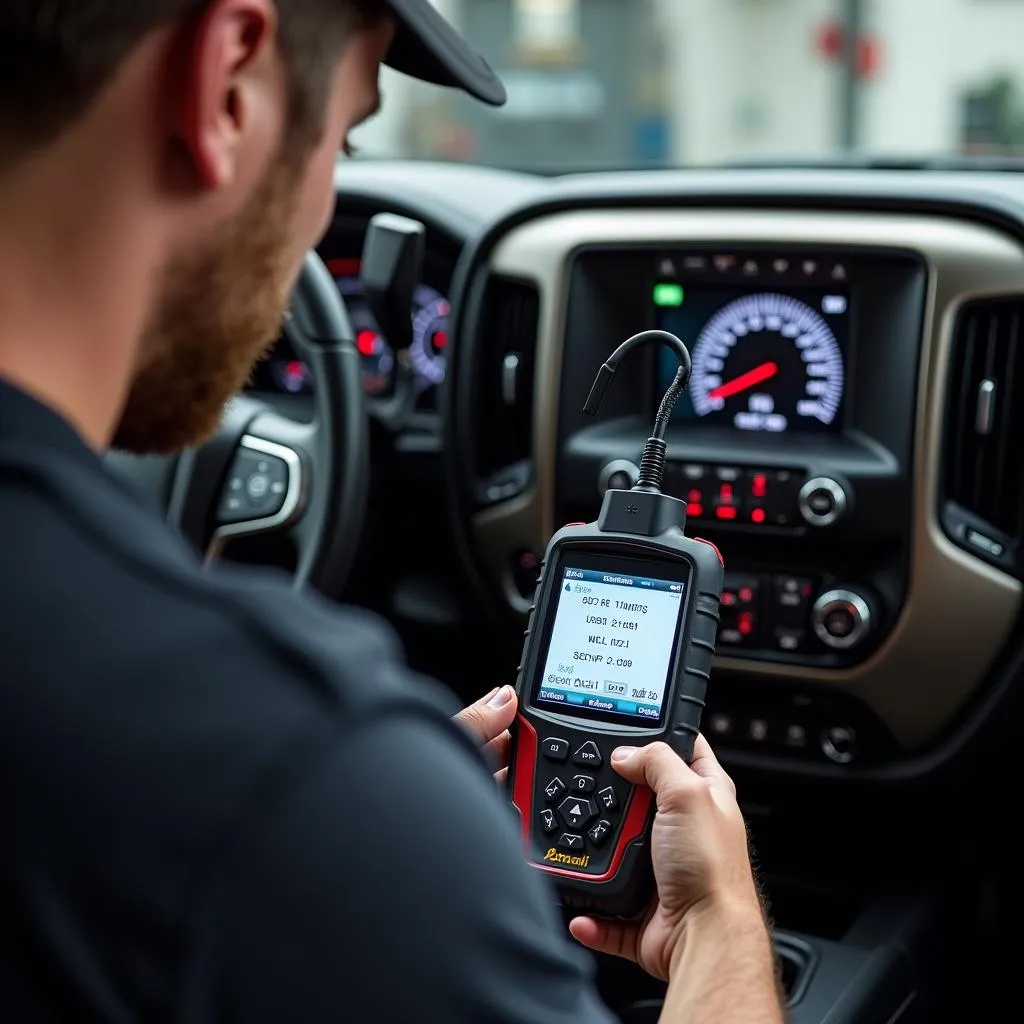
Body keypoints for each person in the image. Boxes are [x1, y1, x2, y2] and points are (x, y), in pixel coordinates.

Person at [0, 2, 784, 1021]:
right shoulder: (309, 790)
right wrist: (721, 932)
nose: (327, 202)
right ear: (226, 85)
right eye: (346, 136)